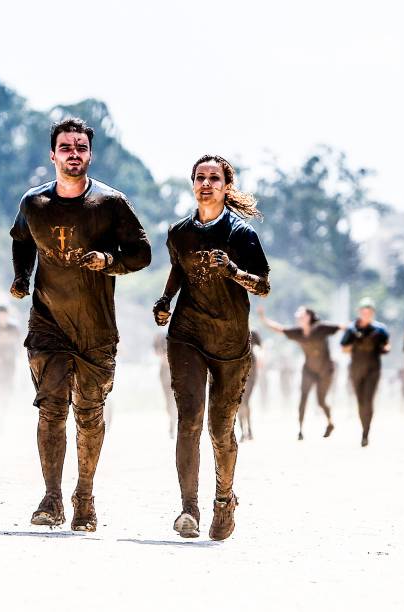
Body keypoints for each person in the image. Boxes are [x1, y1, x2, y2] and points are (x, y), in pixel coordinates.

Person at [10, 117, 151, 532]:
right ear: (52, 155)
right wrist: (22, 277)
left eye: (81, 148)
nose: (74, 154)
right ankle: (51, 498)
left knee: (89, 415)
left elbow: (141, 253)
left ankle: (84, 496)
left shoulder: (111, 203)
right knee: (51, 410)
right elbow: (21, 240)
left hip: (96, 329)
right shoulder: (33, 203)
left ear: (90, 155)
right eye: (66, 147)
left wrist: (109, 261)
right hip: (47, 322)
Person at [153, 154, 270, 541]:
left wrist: (233, 271)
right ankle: (189, 508)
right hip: (187, 336)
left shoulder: (242, 236)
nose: (206, 184)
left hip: (231, 343)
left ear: (226, 186)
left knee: (221, 430)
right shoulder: (179, 232)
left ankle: (224, 500)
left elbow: (264, 286)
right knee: (189, 420)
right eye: (200, 177)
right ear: (192, 184)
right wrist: (165, 301)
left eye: (214, 178)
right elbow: (178, 269)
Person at [258, 306, 344, 440]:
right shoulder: (297, 332)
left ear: (309, 316)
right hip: (309, 369)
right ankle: (300, 430)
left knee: (321, 401)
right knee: (303, 397)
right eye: (297, 315)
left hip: (325, 370)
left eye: (301, 315)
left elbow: (342, 327)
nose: (298, 317)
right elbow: (279, 329)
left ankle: (330, 422)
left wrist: (359, 327)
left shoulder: (322, 328)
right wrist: (263, 318)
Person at [340, 298, 390, 447]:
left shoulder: (380, 329)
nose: (366, 314)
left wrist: (382, 348)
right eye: (363, 312)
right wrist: (356, 343)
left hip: (373, 369)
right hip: (356, 369)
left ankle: (365, 433)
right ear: (360, 312)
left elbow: (387, 345)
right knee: (360, 402)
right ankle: (364, 428)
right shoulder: (352, 329)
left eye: (369, 312)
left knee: (368, 400)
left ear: (373, 313)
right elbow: (343, 348)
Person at [237, 330, 263, 442]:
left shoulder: (253, 332)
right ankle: (244, 431)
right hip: (238, 372)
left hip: (251, 371)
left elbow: (261, 348)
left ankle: (247, 431)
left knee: (244, 402)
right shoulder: (235, 332)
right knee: (240, 402)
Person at [153, 332, 177, 439]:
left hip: (174, 371)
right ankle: (172, 421)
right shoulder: (160, 337)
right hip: (165, 372)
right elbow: (157, 351)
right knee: (168, 402)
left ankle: (173, 424)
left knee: (173, 400)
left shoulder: (174, 337)